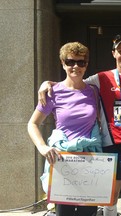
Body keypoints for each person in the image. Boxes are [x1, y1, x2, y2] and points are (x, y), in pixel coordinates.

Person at [38, 34, 121, 216]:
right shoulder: (100, 79)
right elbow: (74, 82)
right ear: (113, 53)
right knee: (110, 195)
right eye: (120, 51)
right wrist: (47, 83)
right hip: (111, 144)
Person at [27, 42, 102, 216]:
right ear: (62, 63)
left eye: (81, 62)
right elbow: (32, 124)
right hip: (63, 160)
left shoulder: (93, 92)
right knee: (64, 212)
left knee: (88, 212)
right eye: (70, 62)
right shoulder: (53, 92)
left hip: (89, 159)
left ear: (86, 65)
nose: (76, 66)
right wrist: (43, 147)